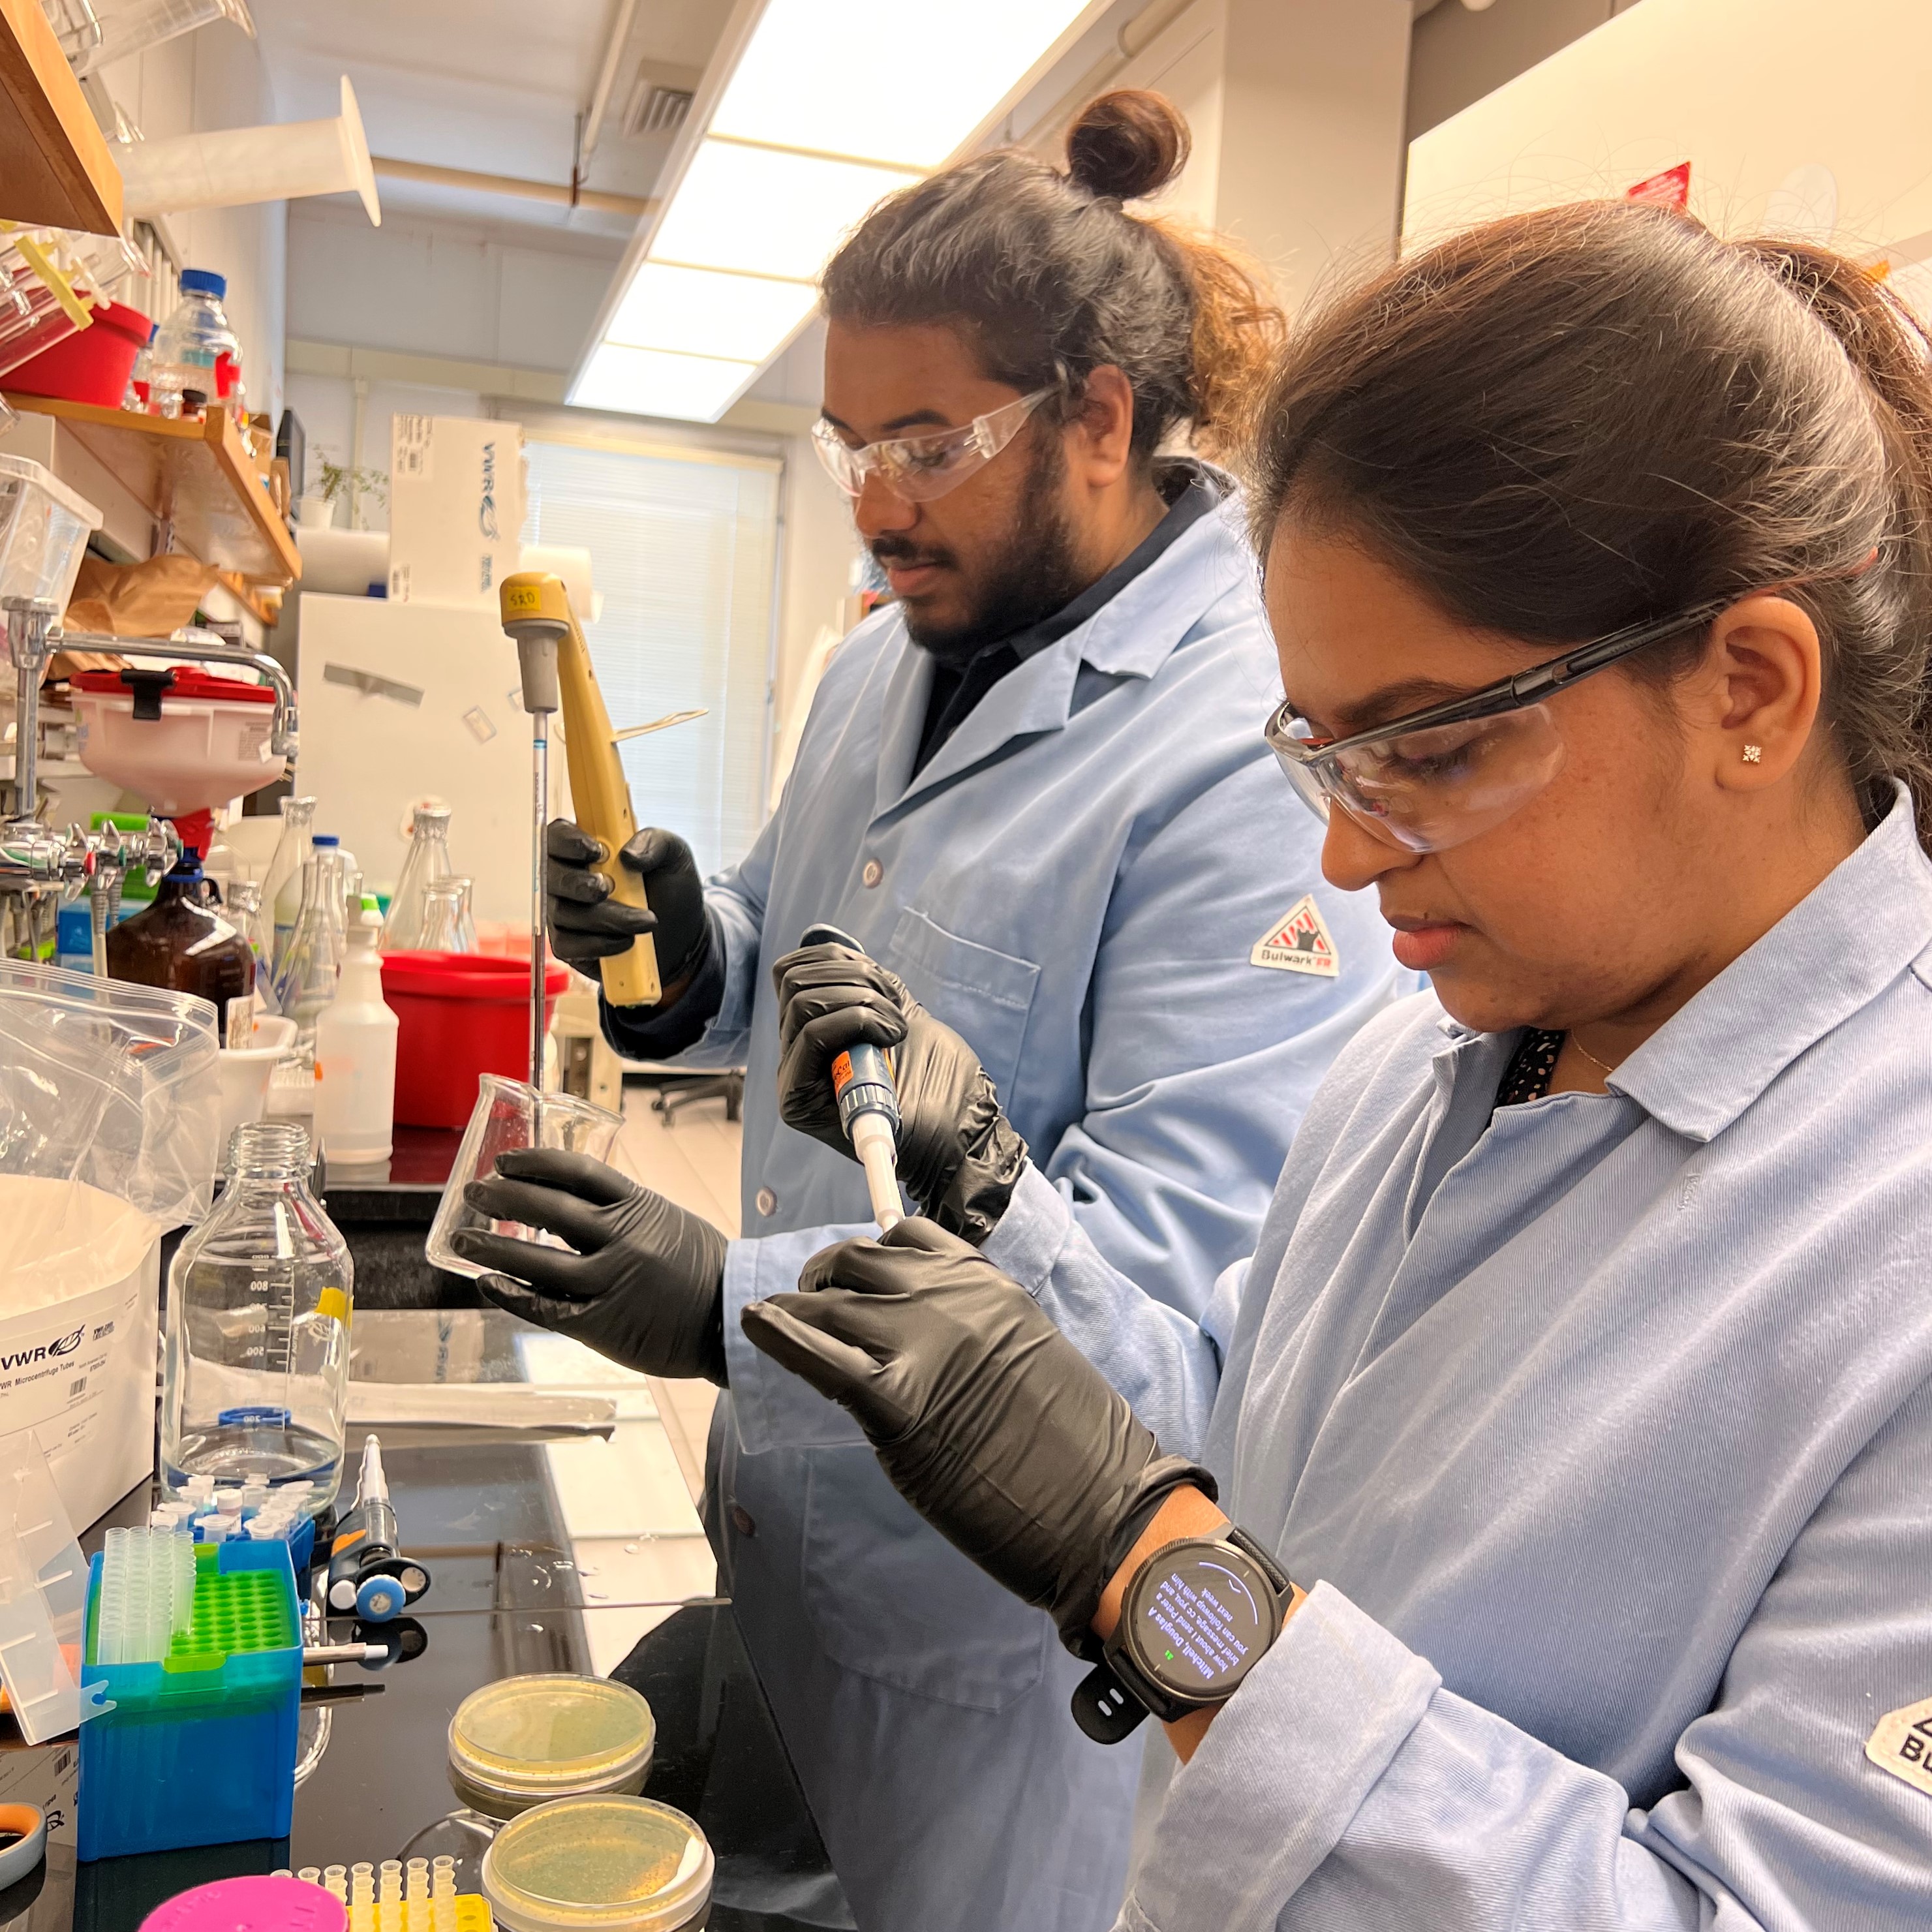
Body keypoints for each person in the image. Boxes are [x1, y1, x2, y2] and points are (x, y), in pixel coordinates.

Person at [741, 198, 1932, 1930]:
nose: (1348, 865)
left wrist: (1152, 1578)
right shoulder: (1423, 1058)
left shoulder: (1890, 1243)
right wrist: (998, 1200)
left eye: (1429, 752)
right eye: (1322, 753)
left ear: (1746, 682)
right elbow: (1265, 1460)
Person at [453, 91, 1409, 1932]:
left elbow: (1185, 1330)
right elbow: (804, 965)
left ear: (1101, 418)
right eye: (843, 448)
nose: (876, 502)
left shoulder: (1245, 754)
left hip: (1008, 1658)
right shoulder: (886, 656)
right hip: (796, 1554)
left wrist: (718, 1304)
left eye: (925, 442)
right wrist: (691, 949)